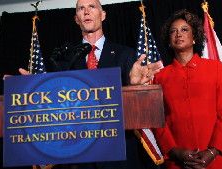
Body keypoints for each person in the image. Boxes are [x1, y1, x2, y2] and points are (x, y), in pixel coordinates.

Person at [19, 0, 162, 169]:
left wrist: (134, 87)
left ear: (103, 15)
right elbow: (57, 110)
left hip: (118, 156)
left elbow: (140, 110)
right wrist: (34, 89)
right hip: (79, 158)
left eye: (92, 7)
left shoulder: (126, 55)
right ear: (76, 19)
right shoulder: (63, 61)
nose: (86, 12)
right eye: (81, 8)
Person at [132, 9, 222, 169]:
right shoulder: (160, 77)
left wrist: (212, 152)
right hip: (178, 163)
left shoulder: (215, 68)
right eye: (173, 31)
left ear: (194, 37)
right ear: (169, 41)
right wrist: (175, 152)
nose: (178, 34)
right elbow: (158, 120)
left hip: (217, 161)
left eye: (184, 29)